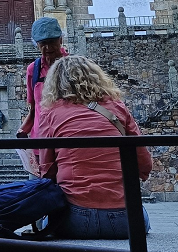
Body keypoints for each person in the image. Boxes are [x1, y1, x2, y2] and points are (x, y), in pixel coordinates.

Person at [38, 55, 152, 239]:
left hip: (74, 217)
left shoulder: (50, 113)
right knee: (142, 214)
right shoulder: (117, 107)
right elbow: (144, 163)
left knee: (44, 221)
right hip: (124, 219)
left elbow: (47, 170)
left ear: (55, 83)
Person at [16, 17, 68, 146]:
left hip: (67, 139)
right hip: (40, 141)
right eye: (43, 43)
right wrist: (23, 130)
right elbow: (34, 109)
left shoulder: (74, 67)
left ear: (60, 40)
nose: (48, 47)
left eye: (52, 42)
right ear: (37, 45)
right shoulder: (33, 70)